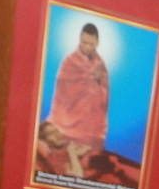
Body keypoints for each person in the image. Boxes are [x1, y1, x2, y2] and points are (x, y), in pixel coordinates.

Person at [38, 20, 110, 177]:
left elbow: (104, 95)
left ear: (97, 42)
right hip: (68, 121)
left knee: (92, 158)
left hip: (91, 124)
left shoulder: (101, 64)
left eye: (91, 44)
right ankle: (72, 153)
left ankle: (79, 154)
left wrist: (99, 80)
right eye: (84, 42)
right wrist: (90, 77)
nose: (88, 47)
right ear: (79, 39)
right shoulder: (69, 61)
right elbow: (65, 87)